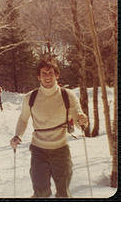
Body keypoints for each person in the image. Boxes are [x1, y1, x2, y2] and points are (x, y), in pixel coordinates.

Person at [10, 56, 88, 198]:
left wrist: (82, 120)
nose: (47, 77)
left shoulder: (67, 96)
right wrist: (17, 136)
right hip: (38, 150)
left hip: (61, 150)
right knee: (41, 193)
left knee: (64, 193)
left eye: (50, 73)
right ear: (38, 77)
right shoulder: (30, 97)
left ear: (56, 75)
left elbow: (78, 118)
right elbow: (23, 119)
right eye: (44, 74)